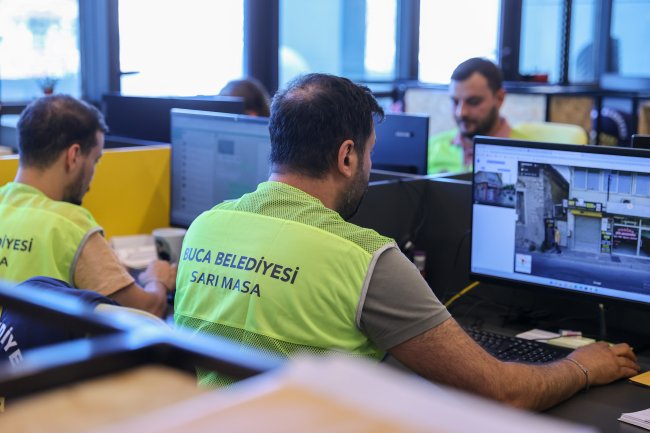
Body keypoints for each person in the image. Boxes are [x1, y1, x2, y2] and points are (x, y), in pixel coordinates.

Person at [174, 73, 638, 410]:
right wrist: (581, 367)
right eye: (370, 151)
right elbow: (501, 392)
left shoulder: (205, 226)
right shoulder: (363, 258)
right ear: (348, 156)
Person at [0, 95, 176, 318]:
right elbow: (147, 311)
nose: (92, 178)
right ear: (73, 156)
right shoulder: (69, 225)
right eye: (95, 160)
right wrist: (157, 280)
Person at [428, 57, 534, 174]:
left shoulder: (529, 154)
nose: (461, 112)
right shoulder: (431, 147)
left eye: (473, 102)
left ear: (499, 98)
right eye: (455, 102)